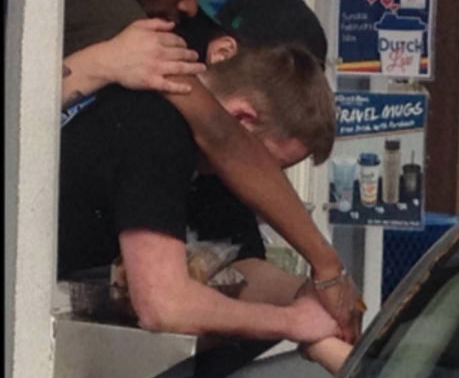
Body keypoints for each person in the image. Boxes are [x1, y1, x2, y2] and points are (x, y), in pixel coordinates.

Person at [61, 0, 361, 341]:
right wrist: (326, 265)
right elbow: (217, 130)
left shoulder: (165, 16)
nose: (188, 8)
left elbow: (241, 257)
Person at [59, 40, 338, 345]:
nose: (265, 184)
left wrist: (305, 295)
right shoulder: (156, 124)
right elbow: (163, 305)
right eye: (267, 167)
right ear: (241, 120)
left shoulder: (208, 159)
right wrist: (291, 322)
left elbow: (239, 266)